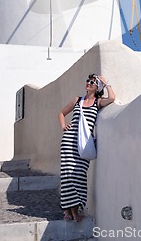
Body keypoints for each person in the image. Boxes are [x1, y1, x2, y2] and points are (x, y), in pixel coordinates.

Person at [58, 73, 115, 221]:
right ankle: (67, 211)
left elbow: (113, 98)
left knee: (78, 175)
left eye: (92, 82)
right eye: (88, 81)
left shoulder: (98, 102)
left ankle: (76, 209)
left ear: (97, 87)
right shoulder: (77, 100)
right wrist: (64, 126)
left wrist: (106, 83)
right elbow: (61, 113)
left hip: (84, 145)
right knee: (67, 175)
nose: (88, 83)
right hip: (69, 141)